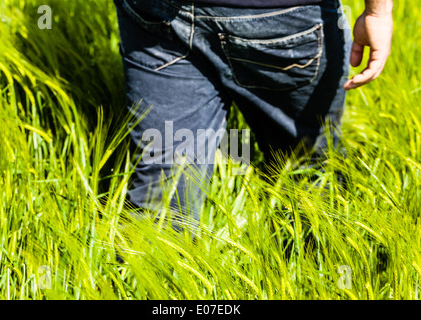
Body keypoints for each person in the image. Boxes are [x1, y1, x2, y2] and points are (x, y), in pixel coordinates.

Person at [113, 0, 393, 231]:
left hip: (155, 17)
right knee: (306, 165)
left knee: (164, 190)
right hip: (275, 18)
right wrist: (378, 12)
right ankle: (325, 277)